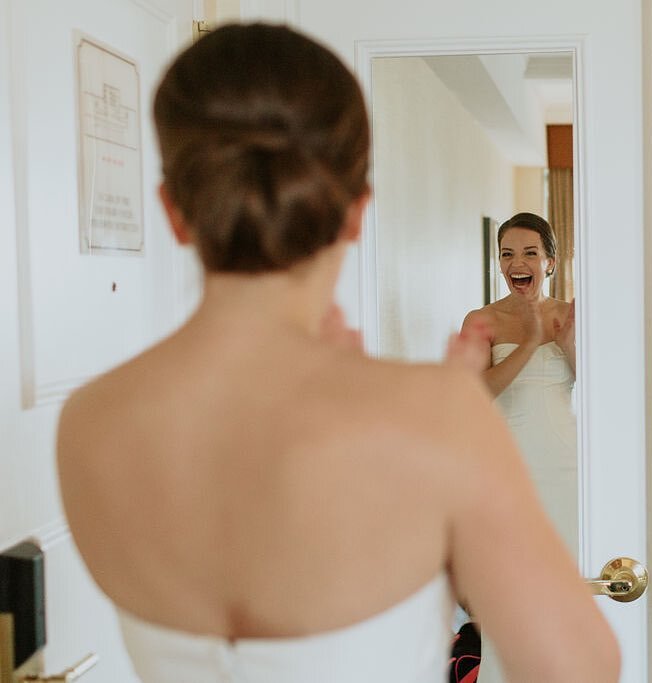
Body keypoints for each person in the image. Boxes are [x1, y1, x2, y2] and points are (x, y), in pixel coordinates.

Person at [55, 23, 617, 683]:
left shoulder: (90, 421)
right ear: (356, 212)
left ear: (173, 209)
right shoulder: (430, 413)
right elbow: (578, 665)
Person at [459, 213, 578, 683]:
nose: (517, 262)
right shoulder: (481, 320)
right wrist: (529, 344)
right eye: (507, 253)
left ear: (549, 261)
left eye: (530, 252)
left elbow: (605, 388)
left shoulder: (570, 313)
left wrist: (568, 345)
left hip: (567, 467)